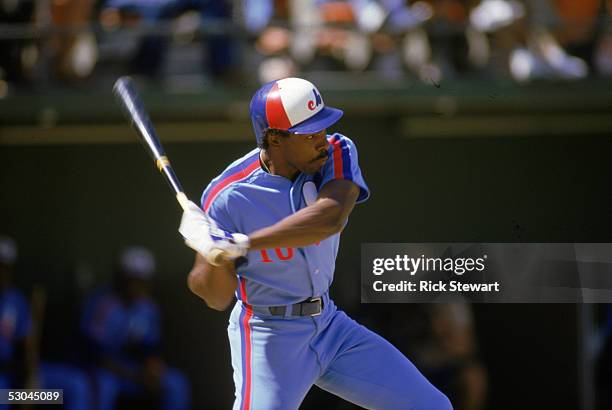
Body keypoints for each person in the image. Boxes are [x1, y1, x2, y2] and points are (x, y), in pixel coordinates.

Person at [179, 77, 453, 409]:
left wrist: (246, 243)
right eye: (309, 135)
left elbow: (328, 218)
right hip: (270, 334)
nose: (322, 140)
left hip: (330, 326)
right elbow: (215, 296)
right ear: (275, 139)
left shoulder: (338, 151)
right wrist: (213, 253)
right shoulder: (227, 197)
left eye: (322, 129)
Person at [80, 246, 190, 410]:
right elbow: (93, 353)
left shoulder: (148, 308)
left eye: (142, 280)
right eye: (131, 279)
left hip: (135, 370)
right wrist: (134, 375)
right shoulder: (102, 304)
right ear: (120, 278)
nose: (136, 285)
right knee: (105, 386)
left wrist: (153, 368)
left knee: (176, 383)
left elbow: (151, 348)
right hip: (107, 370)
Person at [0, 235, 91, 410]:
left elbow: (27, 347)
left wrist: (31, 380)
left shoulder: (15, 300)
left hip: (15, 381)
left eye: (5, 267)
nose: (2, 273)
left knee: (73, 387)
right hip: (4, 389)